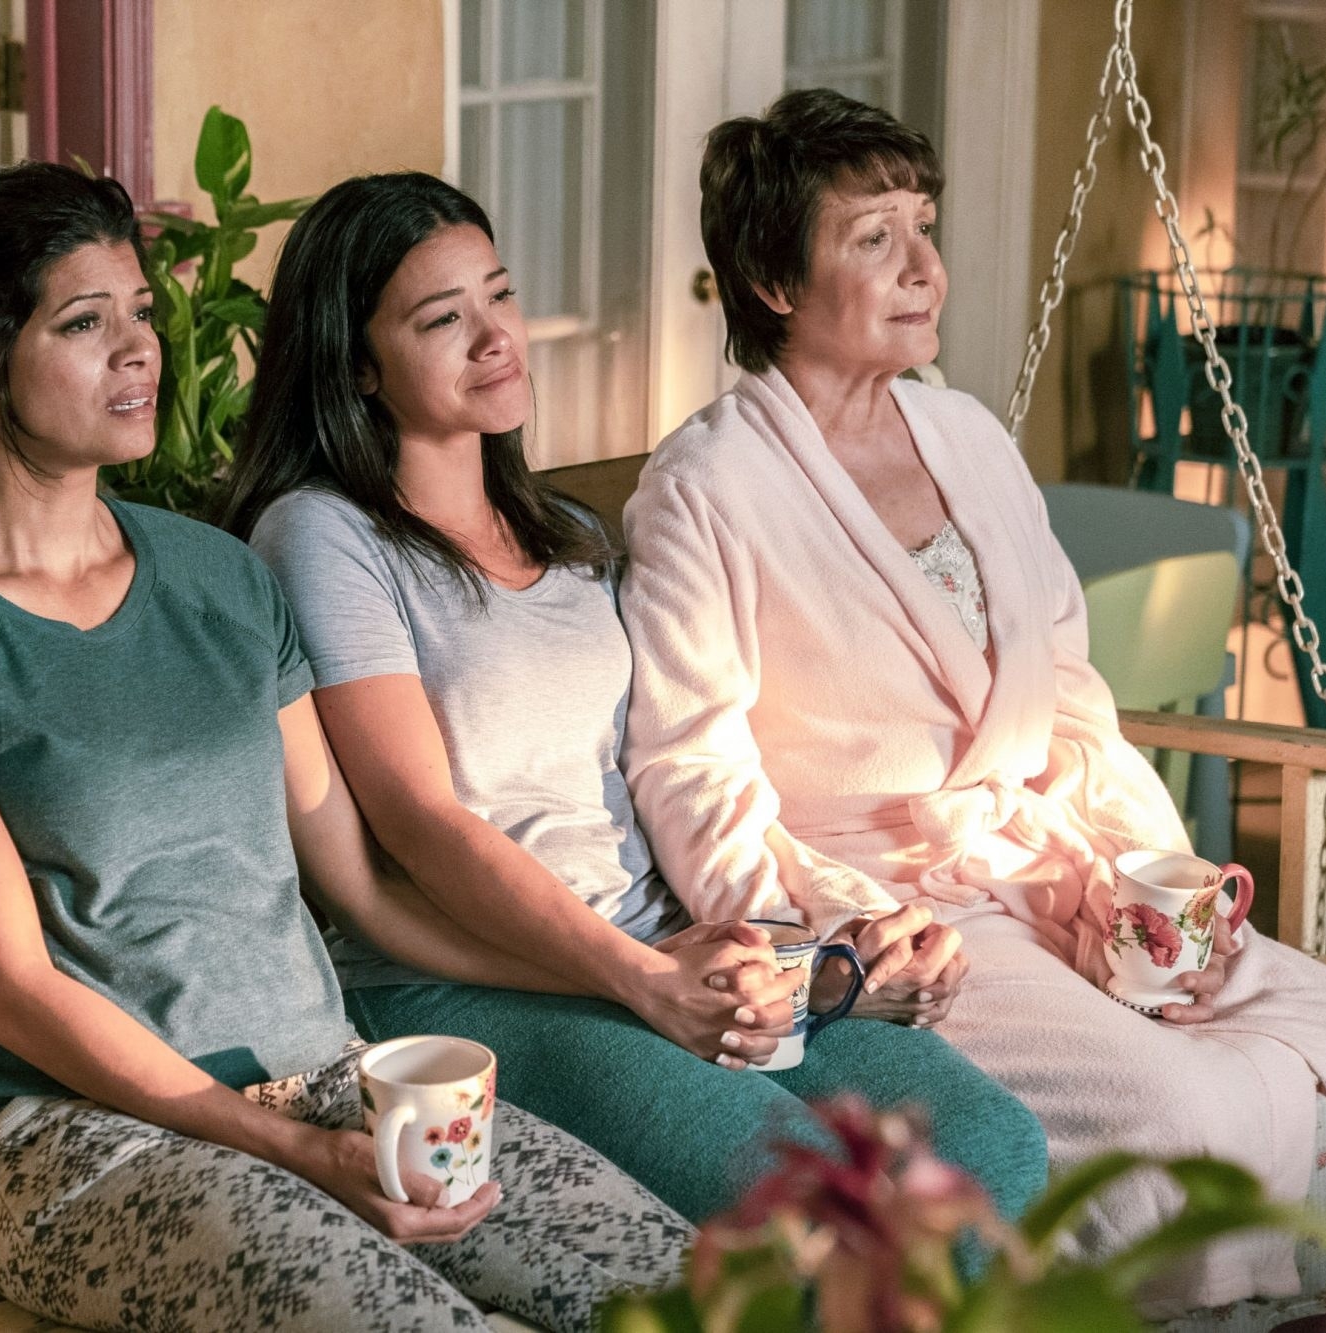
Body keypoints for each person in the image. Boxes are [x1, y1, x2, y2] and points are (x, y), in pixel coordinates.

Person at [618, 87, 1326, 1323]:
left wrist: (1137, 874)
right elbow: (689, 774)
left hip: (1046, 865)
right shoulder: (703, 488)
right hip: (895, 916)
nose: (923, 269)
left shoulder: (966, 436)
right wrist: (850, 939)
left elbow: (1068, 697)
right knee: (1188, 1109)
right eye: (873, 238)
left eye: (924, 225)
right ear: (770, 278)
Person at [0, 161, 691, 1333]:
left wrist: (639, 977)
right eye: (84, 323)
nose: (137, 352)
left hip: (332, 1080)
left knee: (699, 1295)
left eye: (139, 313)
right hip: (77, 1141)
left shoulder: (217, 576)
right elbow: (16, 994)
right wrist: (289, 1146)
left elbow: (365, 898)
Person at [222, 170, 1048, 1249]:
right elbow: (421, 822)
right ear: (355, 362)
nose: (493, 337)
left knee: (990, 1148)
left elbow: (675, 768)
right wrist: (641, 981)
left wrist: (823, 944)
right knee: (817, 1214)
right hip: (473, 980)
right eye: (441, 318)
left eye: (499, 296)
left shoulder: (563, 532)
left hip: (666, 941)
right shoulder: (323, 537)